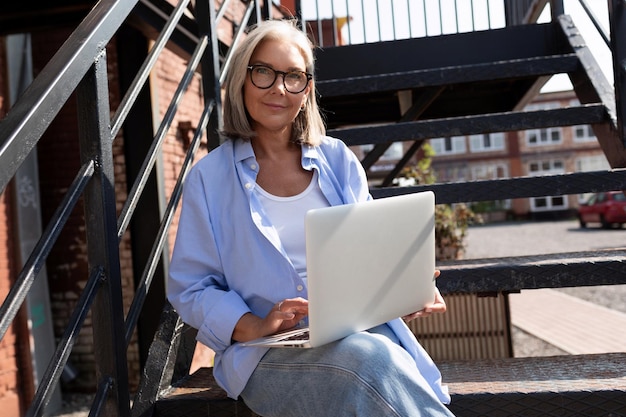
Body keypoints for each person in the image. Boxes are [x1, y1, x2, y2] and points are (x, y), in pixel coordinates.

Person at [167, 18, 454, 417]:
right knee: (369, 362)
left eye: (294, 77)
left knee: (370, 356)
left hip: (357, 335)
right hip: (268, 354)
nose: (279, 89)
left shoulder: (337, 159)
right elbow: (192, 287)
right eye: (264, 72)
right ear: (241, 80)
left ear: (308, 88)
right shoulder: (209, 178)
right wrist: (254, 323)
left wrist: (402, 288)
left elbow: (369, 253)